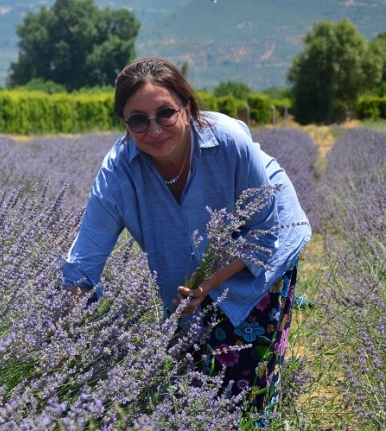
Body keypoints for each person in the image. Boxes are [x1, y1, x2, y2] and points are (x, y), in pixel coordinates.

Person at [61, 57, 311, 417]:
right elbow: (84, 263)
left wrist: (208, 283)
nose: (154, 129)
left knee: (247, 380)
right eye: (138, 120)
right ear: (125, 125)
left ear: (188, 107)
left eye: (165, 113)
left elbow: (264, 232)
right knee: (188, 379)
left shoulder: (229, 142)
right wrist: (58, 333)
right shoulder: (118, 174)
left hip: (261, 248)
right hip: (186, 279)